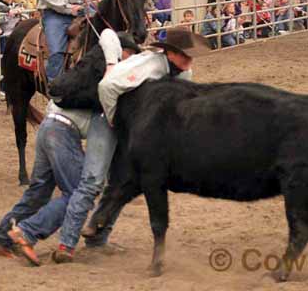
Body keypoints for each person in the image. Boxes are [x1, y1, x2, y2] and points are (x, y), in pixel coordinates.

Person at [0, 31, 136, 266]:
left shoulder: (92, 72)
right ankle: (26, 232)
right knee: (77, 192)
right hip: (61, 132)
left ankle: (1, 236)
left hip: (50, 124)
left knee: (39, 191)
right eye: (129, 56)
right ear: (121, 53)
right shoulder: (111, 79)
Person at [77, 28, 212, 249]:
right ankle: (76, 236)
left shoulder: (184, 73)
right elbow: (107, 86)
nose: (189, 58)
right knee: (96, 177)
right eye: (184, 53)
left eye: (190, 54)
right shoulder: (149, 66)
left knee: (123, 176)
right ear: (169, 53)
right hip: (112, 118)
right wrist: (115, 120)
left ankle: (96, 233)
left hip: (139, 128)